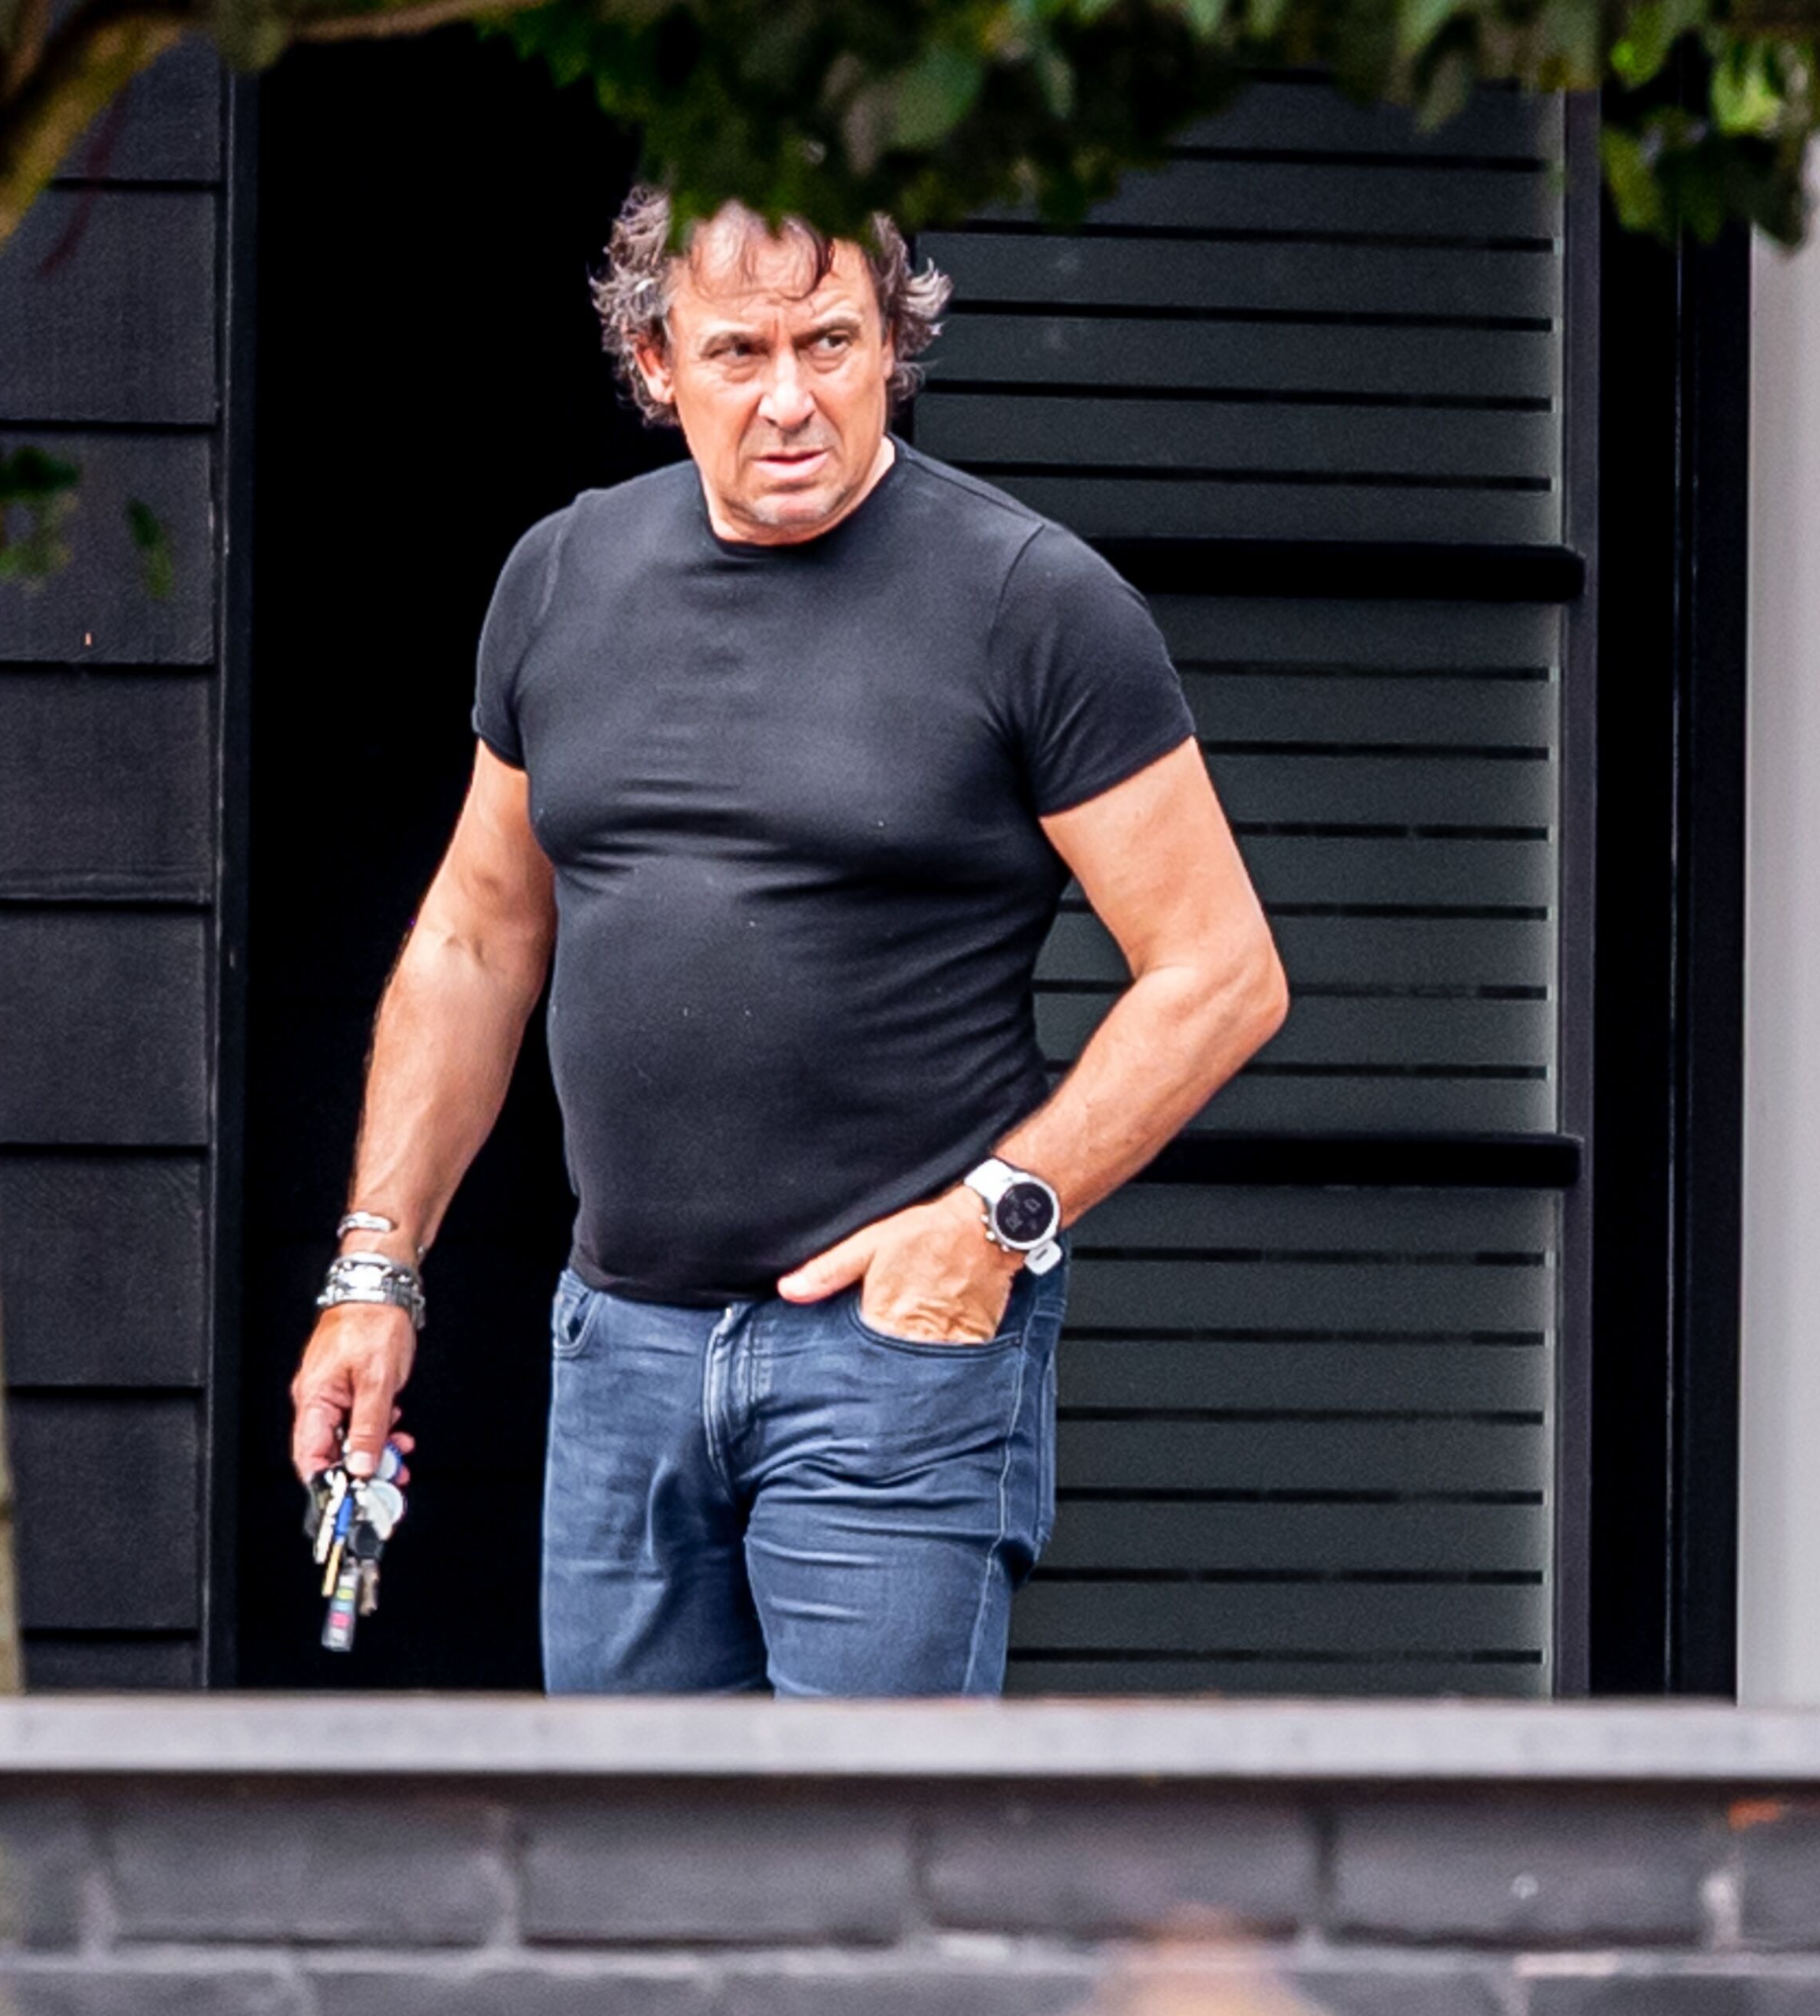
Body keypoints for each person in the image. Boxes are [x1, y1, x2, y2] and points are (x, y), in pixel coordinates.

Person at [284, 190, 1288, 1697]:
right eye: (739, 352)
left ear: (892, 345)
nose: (791, 398)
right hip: (622, 1348)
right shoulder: (561, 577)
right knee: (638, 1841)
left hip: (893, 1358)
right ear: (654, 360)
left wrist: (993, 1222)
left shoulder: (1034, 604)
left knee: (858, 1843)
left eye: (830, 342)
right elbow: (476, 942)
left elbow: (1220, 971)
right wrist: (375, 1268)